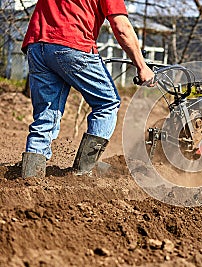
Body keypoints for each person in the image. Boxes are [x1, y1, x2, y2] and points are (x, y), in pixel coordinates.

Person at [20, 0, 154, 178]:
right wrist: (142, 66)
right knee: (107, 103)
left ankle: (30, 176)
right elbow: (122, 27)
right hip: (72, 43)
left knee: (46, 112)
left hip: (37, 45)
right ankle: (84, 170)